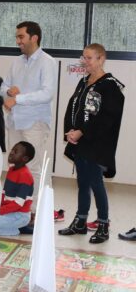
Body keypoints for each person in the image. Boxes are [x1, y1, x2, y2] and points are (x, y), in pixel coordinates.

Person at [58, 43, 125, 244]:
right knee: (83, 183)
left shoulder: (110, 85)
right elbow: (74, 107)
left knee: (96, 183)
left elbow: (107, 118)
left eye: (89, 58)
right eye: (83, 57)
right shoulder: (84, 82)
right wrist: (70, 130)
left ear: (101, 58)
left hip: (97, 144)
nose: (84, 61)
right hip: (80, 141)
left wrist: (83, 132)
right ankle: (80, 220)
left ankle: (103, 224)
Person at [0, 21, 57, 215]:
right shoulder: (16, 62)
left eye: (21, 37)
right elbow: (3, 86)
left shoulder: (47, 61)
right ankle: (15, 205)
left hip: (35, 122)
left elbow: (47, 93)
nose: (18, 41)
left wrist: (17, 99)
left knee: (33, 166)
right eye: (17, 37)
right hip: (15, 121)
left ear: (34, 38)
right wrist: (8, 90)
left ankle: (34, 211)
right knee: (15, 164)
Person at [0, 141, 35, 236]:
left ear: (24, 159)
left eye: (16, 151)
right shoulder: (12, 169)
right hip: (10, 212)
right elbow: (4, 193)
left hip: (20, 215)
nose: (12, 152)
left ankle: (18, 229)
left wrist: (0, 211)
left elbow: (18, 203)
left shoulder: (25, 175)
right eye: (12, 150)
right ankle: (12, 227)